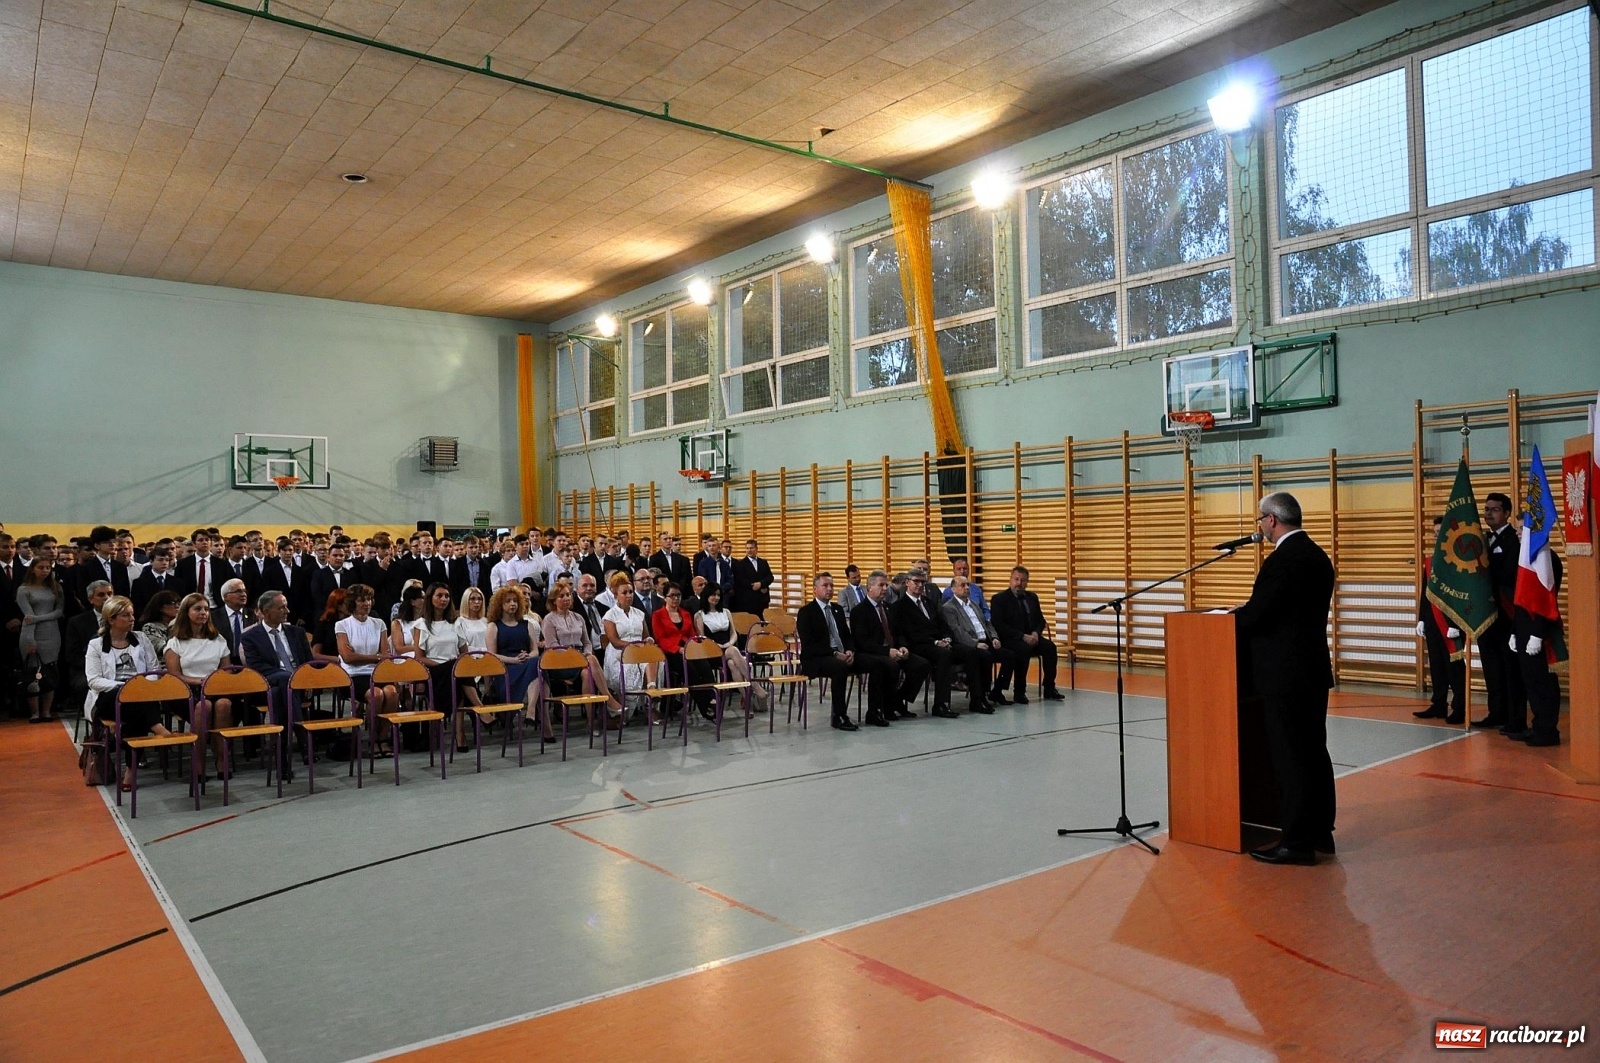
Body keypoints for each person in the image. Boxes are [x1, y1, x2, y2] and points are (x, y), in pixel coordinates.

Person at [1233, 492, 1337, 866]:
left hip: (1284, 675)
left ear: (1272, 520)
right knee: (1313, 751)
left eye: (1261, 519)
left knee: (1291, 755)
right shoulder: (1317, 556)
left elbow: (1259, 614)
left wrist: (1227, 619)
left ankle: (1296, 841)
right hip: (1311, 670)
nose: (1260, 526)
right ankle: (1321, 832)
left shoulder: (1283, 561)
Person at [86, 595, 166, 791]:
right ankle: (156, 726)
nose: (132, 619)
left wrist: (139, 686)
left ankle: (130, 772)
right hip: (108, 697)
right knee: (126, 697)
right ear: (111, 619)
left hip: (140, 695)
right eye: (125, 615)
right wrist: (124, 686)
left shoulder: (141, 638)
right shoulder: (96, 645)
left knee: (134, 715)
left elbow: (154, 670)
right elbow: (94, 680)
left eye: (132, 614)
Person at [238, 590, 313, 777]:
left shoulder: (296, 632)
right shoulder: (250, 636)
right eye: (281, 607)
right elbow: (256, 667)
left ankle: (282, 758)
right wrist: (288, 676)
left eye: (286, 606)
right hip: (267, 683)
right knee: (284, 682)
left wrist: (304, 680)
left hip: (296, 686)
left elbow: (307, 661)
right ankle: (298, 725)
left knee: (281, 692)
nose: (287, 610)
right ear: (265, 611)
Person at [795, 572, 882, 731]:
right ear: (815, 589)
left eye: (831, 586)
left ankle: (873, 711)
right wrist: (834, 653)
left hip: (842, 655)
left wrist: (850, 650)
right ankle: (839, 715)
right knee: (839, 667)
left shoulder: (837, 609)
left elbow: (847, 636)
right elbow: (810, 644)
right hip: (817, 658)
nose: (829, 589)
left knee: (875, 663)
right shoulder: (806, 612)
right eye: (825, 586)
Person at [164, 593, 236, 779]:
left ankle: (222, 761)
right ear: (186, 613)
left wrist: (212, 682)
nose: (203, 613)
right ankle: (198, 765)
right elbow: (174, 676)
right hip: (186, 690)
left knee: (224, 704)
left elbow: (226, 670)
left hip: (214, 687)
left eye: (206, 609)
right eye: (197, 609)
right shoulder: (176, 642)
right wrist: (199, 681)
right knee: (203, 706)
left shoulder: (218, 639)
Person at [850, 570, 927, 725]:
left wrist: (903, 646)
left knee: (921, 664)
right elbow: (862, 642)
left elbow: (898, 632)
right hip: (872, 652)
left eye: (886, 585)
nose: (885, 589)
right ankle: (877, 710)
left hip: (893, 650)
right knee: (888, 665)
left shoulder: (889, 608)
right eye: (881, 585)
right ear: (869, 587)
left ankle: (898, 699)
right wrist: (887, 652)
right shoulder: (859, 611)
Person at [541, 582, 623, 728]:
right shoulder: (549, 619)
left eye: (567, 595)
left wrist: (584, 653)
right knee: (590, 660)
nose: (566, 598)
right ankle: (609, 700)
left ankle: (591, 721)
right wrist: (576, 656)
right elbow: (552, 646)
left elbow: (587, 642)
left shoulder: (578, 617)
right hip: (559, 662)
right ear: (554, 600)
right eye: (561, 596)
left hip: (581, 660)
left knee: (587, 672)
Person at [1476, 492, 1524, 732]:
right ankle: (1495, 711)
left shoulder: (1513, 541)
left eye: (1494, 509)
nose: (1488, 513)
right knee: (1491, 665)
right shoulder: (1482, 539)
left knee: (1509, 666)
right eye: (1486, 509)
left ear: (1506, 513)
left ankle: (1512, 715)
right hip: (1487, 613)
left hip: (1506, 613)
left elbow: (1508, 575)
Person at [336, 584, 401, 756]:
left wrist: (367, 656)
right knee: (377, 694)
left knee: (392, 692)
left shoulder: (379, 623)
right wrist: (376, 657)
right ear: (353, 602)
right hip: (353, 674)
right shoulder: (342, 625)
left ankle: (383, 737)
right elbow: (348, 658)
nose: (367, 603)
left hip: (376, 671)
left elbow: (385, 655)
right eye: (362, 600)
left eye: (369, 599)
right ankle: (373, 740)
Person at [1413, 517, 1466, 723]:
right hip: (1433, 621)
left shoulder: (1458, 561)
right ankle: (1439, 703)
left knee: (1454, 667)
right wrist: (1422, 619)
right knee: (1436, 665)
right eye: (1434, 534)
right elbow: (1426, 592)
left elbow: (1460, 595)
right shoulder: (1431, 560)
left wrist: (1455, 624)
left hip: (1450, 623)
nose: (1437, 537)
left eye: (1440, 533)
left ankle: (1460, 706)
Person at [989, 566, 1065, 703]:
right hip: (1010, 638)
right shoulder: (999, 599)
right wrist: (1022, 636)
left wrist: (1036, 633)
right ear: (1010, 580)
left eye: (1023, 580)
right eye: (1016, 579)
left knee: (1050, 648)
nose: (1019, 583)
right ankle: (1019, 691)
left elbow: (1041, 620)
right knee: (1023, 650)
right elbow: (999, 625)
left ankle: (1049, 687)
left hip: (1032, 636)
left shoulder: (1032, 597)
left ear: (1027, 582)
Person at [892, 571, 959, 717]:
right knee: (943, 656)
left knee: (965, 651)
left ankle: (979, 696)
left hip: (935, 643)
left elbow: (942, 624)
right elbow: (909, 633)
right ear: (907, 583)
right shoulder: (900, 606)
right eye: (916, 582)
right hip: (916, 644)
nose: (920, 585)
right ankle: (940, 704)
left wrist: (947, 638)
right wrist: (935, 642)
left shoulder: (928, 602)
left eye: (923, 582)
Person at [940, 574, 1008, 713]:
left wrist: (995, 637)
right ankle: (979, 697)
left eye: (968, 585)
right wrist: (975, 643)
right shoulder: (949, 607)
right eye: (962, 585)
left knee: (1010, 655)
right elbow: (957, 631)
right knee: (984, 656)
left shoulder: (974, 604)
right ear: (953, 589)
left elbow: (987, 623)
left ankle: (997, 690)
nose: (967, 588)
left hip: (985, 639)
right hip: (968, 644)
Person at [697, 584, 768, 713]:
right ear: (706, 596)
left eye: (718, 595)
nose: (716, 598)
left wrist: (730, 642)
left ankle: (747, 700)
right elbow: (702, 637)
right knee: (733, 652)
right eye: (713, 595)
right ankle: (755, 686)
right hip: (712, 651)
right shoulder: (700, 615)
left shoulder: (726, 612)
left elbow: (733, 633)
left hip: (728, 646)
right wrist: (718, 645)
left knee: (732, 663)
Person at [653, 582, 714, 721]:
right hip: (671, 652)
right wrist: (679, 649)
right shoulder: (658, 615)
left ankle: (712, 697)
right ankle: (705, 706)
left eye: (678, 595)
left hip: (687, 648)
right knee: (690, 670)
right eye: (672, 596)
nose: (675, 599)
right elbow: (661, 639)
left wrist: (694, 647)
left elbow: (692, 634)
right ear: (665, 597)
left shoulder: (685, 614)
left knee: (704, 665)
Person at [486, 584, 541, 733]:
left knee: (536, 663)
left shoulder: (527, 624)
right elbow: (491, 655)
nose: (512, 604)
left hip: (526, 662)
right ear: (500, 604)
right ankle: (530, 711)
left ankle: (530, 709)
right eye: (508, 601)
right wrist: (515, 660)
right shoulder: (493, 626)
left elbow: (535, 650)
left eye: (515, 601)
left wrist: (526, 657)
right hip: (505, 668)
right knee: (535, 668)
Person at [17, 556, 65, 723]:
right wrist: (31, 640)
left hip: (52, 633)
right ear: (33, 569)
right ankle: (35, 712)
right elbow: (27, 616)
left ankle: (46, 711)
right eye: (41, 567)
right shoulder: (23, 589)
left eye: (47, 567)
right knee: (33, 672)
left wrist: (37, 618)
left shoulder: (55, 587)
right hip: (31, 633)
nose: (45, 570)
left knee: (50, 671)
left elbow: (59, 611)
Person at [600, 578, 652, 720]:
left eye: (631, 592)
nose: (629, 595)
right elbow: (614, 641)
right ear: (616, 595)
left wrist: (648, 641)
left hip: (639, 651)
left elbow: (645, 636)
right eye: (624, 593)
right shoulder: (610, 615)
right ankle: (625, 710)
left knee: (654, 660)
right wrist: (632, 645)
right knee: (632, 668)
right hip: (619, 653)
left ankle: (652, 697)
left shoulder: (639, 614)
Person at [730, 539, 774, 616]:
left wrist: (761, 584)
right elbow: (740, 580)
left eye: (751, 548)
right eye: (747, 548)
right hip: (748, 599)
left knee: (763, 622)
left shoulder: (763, 562)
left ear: (756, 549)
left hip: (763, 598)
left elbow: (770, 577)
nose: (749, 550)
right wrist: (753, 585)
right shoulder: (740, 564)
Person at [137, 589, 181, 659]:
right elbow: (160, 648)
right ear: (160, 607)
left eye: (179, 603)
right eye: (173, 602)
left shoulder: (182, 626)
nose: (177, 606)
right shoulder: (150, 627)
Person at [311, 589, 348, 661]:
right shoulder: (324, 624)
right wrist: (339, 660)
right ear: (338, 605)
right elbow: (315, 655)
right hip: (331, 666)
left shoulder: (353, 623)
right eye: (348, 603)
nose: (352, 606)